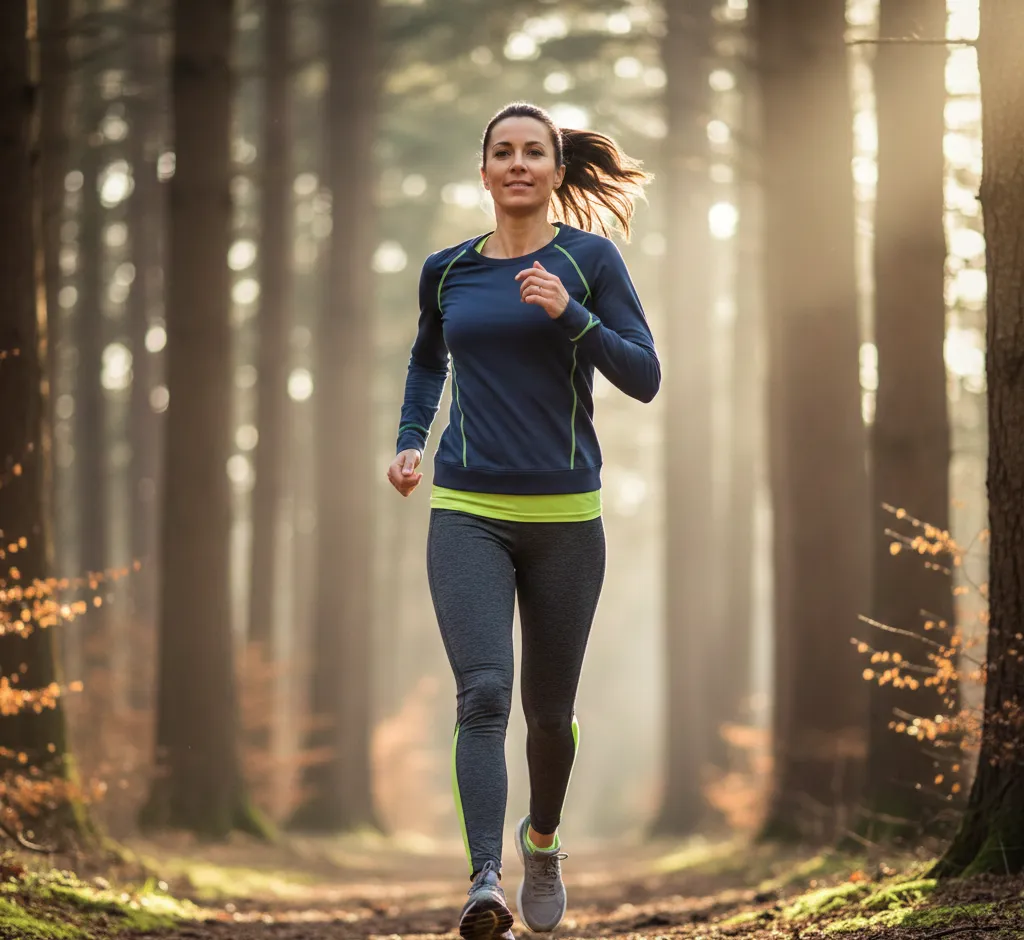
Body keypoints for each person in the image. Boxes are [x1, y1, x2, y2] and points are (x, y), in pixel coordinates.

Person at [386, 101, 659, 940]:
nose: (517, 164)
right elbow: (427, 360)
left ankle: (541, 841)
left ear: (555, 170)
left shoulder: (590, 262)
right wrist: (409, 441)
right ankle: (483, 882)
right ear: (483, 172)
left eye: (533, 152)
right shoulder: (447, 271)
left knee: (548, 714)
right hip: (467, 507)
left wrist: (571, 315)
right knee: (483, 694)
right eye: (502, 152)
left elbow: (645, 375)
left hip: (566, 516)